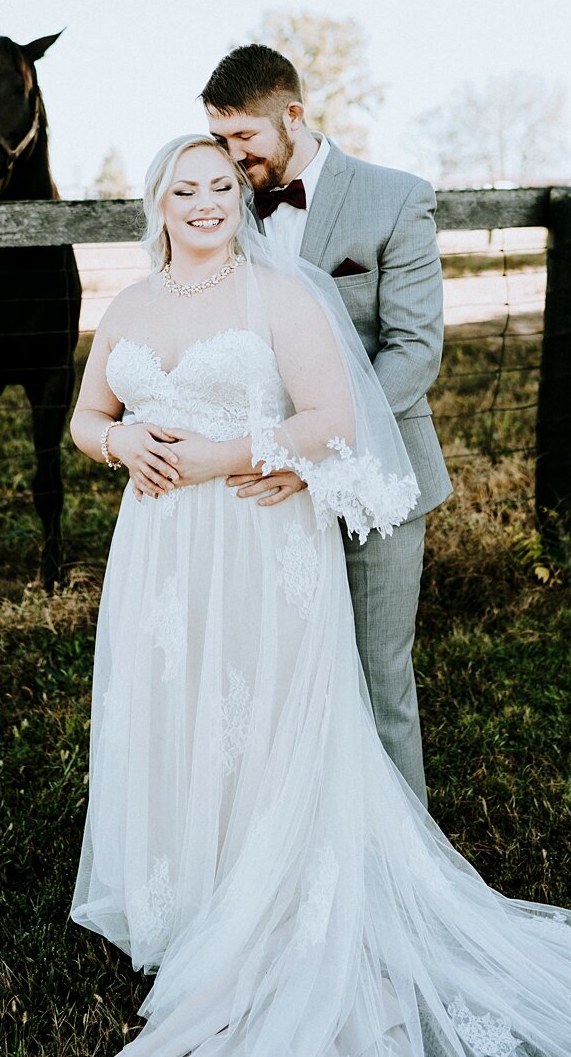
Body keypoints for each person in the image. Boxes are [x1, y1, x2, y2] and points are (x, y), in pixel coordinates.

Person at [69, 134, 571, 1057]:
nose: (203, 203)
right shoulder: (128, 304)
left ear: (234, 199)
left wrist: (222, 456)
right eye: (183, 190)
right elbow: (88, 416)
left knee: (261, 712)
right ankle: (187, 893)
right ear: (156, 202)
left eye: (217, 187)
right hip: (160, 549)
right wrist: (120, 447)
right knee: (179, 704)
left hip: (257, 532)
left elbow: (331, 418)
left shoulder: (278, 294)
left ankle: (264, 905)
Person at [197, 42, 451, 806]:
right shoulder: (224, 202)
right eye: (220, 139)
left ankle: (407, 869)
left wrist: (316, 444)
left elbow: (415, 350)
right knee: (275, 673)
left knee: (378, 680)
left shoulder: (395, 199)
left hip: (373, 474)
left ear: (294, 116)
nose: (232, 158)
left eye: (244, 138)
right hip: (259, 485)